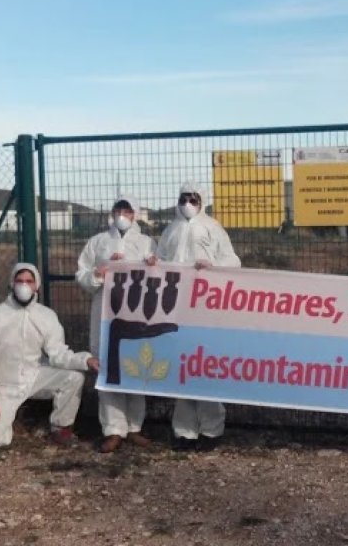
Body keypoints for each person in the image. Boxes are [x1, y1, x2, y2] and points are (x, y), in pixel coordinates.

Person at [0, 262, 99, 449]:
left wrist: (85, 360)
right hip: (3, 385)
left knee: (73, 377)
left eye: (29, 281)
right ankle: (8, 422)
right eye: (19, 280)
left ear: (36, 285)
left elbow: (58, 353)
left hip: (34, 376)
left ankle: (61, 428)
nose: (24, 285)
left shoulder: (46, 316)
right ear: (11, 284)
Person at [155, 182, 241, 450]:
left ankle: (212, 430)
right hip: (177, 304)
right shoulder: (170, 230)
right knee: (182, 366)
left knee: (203, 365)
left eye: (194, 198)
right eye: (184, 198)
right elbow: (160, 260)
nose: (188, 203)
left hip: (205, 304)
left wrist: (214, 266)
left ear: (202, 200)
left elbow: (234, 261)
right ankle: (184, 431)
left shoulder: (213, 227)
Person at [76, 196, 158, 453]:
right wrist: (98, 275)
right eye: (118, 209)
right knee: (107, 365)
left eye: (127, 210)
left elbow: (161, 276)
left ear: (135, 214)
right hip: (105, 312)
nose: (122, 214)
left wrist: (153, 267)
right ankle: (113, 429)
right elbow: (81, 275)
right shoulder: (98, 242)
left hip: (137, 311)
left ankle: (134, 427)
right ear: (112, 212)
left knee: (136, 365)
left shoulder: (146, 243)